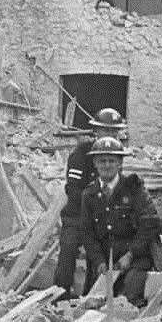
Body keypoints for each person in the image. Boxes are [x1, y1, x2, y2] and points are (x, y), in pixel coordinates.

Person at [78, 135, 161, 306]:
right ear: (95, 163)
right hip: (105, 263)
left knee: (130, 298)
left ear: (120, 163)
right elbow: (87, 232)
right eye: (102, 161)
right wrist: (98, 261)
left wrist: (131, 254)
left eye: (111, 160)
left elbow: (150, 222)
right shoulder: (89, 194)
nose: (106, 165)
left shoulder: (133, 188)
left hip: (133, 258)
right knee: (94, 304)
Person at [55, 107, 128, 299]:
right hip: (77, 216)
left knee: (102, 255)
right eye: (106, 130)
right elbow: (73, 190)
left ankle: (91, 298)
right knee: (68, 249)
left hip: (101, 218)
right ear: (96, 131)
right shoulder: (81, 154)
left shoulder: (116, 156)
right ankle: (59, 296)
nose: (110, 135)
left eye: (114, 131)